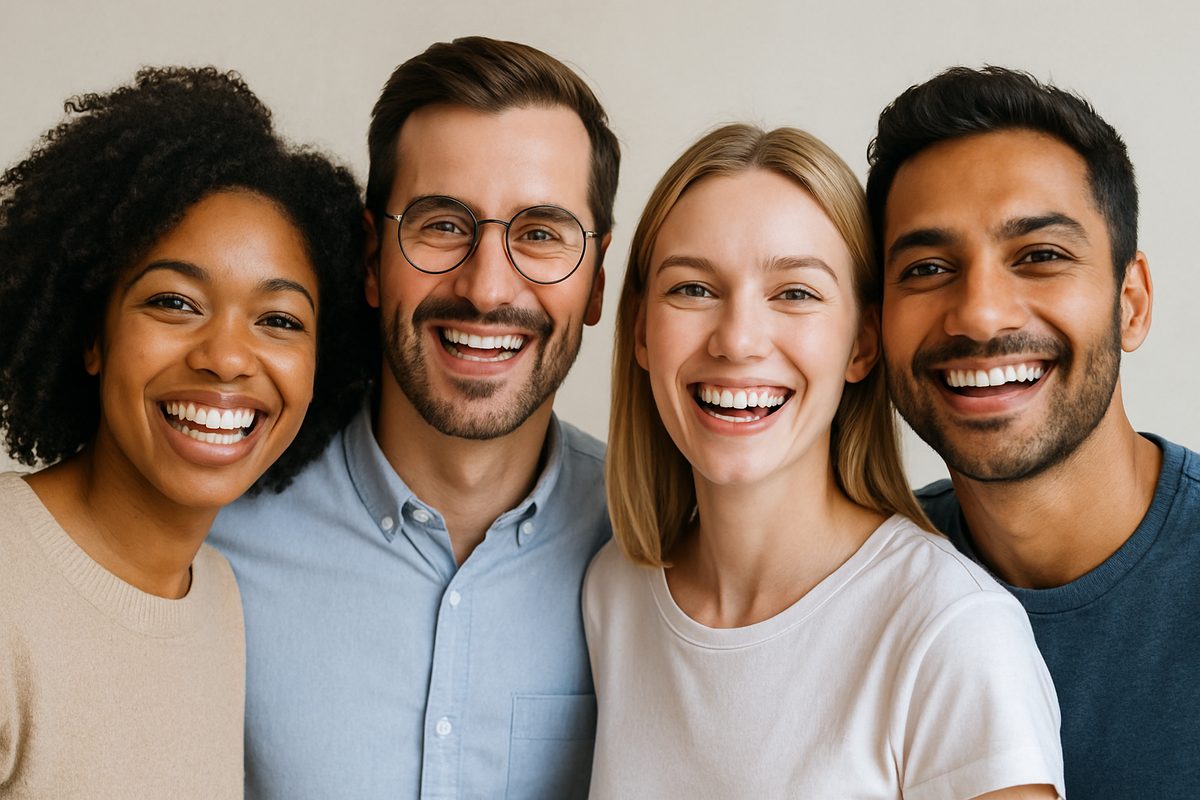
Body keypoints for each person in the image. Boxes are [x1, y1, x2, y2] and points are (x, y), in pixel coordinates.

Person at [585, 123, 1063, 798]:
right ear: (640, 331)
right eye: (692, 289)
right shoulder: (614, 594)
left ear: (862, 344)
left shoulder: (952, 631)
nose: (739, 340)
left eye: (796, 293)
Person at [208, 36, 619, 799]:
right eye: (442, 224)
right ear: (371, 259)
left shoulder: (656, 549)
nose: (487, 286)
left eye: (539, 234)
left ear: (596, 282)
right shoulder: (214, 536)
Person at [0, 67, 367, 799]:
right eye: (174, 301)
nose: (227, 357)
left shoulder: (216, 597)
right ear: (92, 335)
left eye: (280, 320)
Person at [868, 66, 1200, 798]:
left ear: (1132, 303)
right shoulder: (858, 591)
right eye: (927, 268)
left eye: (1040, 256)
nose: (981, 315)